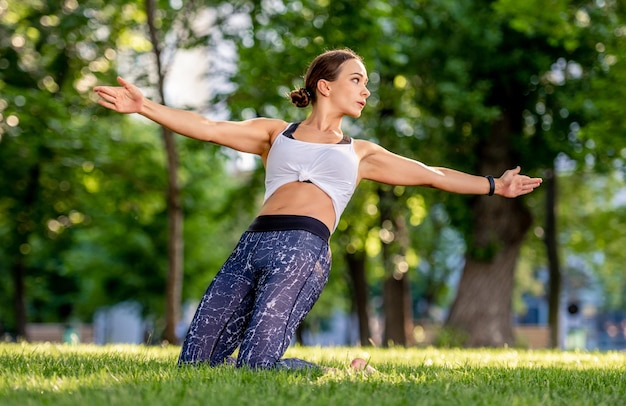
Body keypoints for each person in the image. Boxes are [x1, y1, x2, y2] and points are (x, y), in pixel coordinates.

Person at [93, 48, 542, 372]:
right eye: (357, 79)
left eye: (366, 83)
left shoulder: (360, 152)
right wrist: (143, 106)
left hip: (302, 251)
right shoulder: (275, 133)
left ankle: (340, 373)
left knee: (254, 366)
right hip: (250, 247)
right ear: (324, 86)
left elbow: (432, 173)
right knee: (193, 364)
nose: (366, 90)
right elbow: (209, 127)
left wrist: (493, 185)